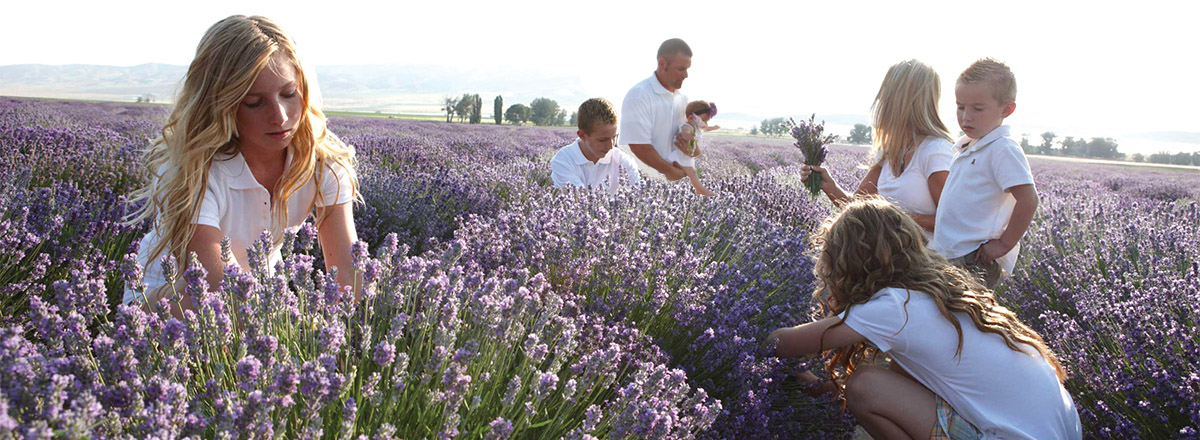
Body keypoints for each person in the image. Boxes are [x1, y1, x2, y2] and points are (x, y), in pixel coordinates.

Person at [767, 196, 1081, 440]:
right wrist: (826, 389)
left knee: (865, 385)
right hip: (1061, 430)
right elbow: (905, 381)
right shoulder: (939, 291)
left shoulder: (895, 305)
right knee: (870, 381)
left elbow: (785, 343)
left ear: (849, 263)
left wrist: (751, 335)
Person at [125, 15, 360, 312]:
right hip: (171, 298)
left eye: (289, 94)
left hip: (259, 297)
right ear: (222, 104)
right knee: (220, 306)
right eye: (254, 102)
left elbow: (349, 278)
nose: (280, 116)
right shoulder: (194, 170)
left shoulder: (322, 162)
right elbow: (214, 284)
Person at [801, 59, 953, 237]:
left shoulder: (935, 151)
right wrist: (829, 186)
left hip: (925, 260)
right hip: (887, 259)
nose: (880, 99)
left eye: (887, 93)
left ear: (904, 100)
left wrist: (895, 216)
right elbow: (857, 206)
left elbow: (951, 220)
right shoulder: (890, 150)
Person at [932, 58, 1037, 289]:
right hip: (949, 253)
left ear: (1006, 109)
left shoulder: (1003, 148)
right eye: (960, 106)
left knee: (966, 319)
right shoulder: (970, 145)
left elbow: (1028, 199)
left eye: (978, 109)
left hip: (973, 258)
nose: (966, 116)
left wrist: (1003, 244)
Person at [619, 38, 700, 181]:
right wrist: (670, 172)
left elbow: (693, 146)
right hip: (641, 183)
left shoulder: (682, 100)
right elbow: (639, 146)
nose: (686, 75)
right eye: (681, 69)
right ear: (662, 64)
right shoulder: (639, 96)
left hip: (674, 186)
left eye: (687, 69)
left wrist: (692, 148)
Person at [550, 98, 641, 191]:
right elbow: (579, 200)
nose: (611, 146)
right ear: (582, 135)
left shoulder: (622, 161)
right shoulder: (563, 161)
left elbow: (640, 193)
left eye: (614, 137)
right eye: (603, 140)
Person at [670, 100, 720, 196]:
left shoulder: (696, 127)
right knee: (692, 172)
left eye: (707, 121)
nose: (705, 124)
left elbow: (705, 128)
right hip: (679, 155)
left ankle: (697, 188)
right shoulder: (687, 126)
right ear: (691, 118)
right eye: (703, 120)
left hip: (687, 155)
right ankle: (700, 189)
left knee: (691, 172)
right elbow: (685, 133)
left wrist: (713, 128)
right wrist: (689, 136)